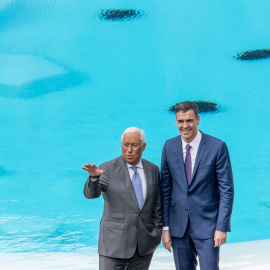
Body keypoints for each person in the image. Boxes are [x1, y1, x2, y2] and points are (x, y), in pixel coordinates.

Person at [160, 101, 234, 270]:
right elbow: (165, 190)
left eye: (189, 120)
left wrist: (222, 227)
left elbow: (226, 190)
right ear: (176, 122)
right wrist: (165, 228)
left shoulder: (217, 147)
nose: (185, 126)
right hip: (178, 227)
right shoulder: (168, 146)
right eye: (180, 121)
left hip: (208, 227)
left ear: (198, 120)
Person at [82, 127, 162, 270]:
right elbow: (91, 195)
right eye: (125, 144)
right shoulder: (106, 169)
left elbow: (157, 205)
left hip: (143, 246)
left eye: (134, 145)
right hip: (113, 245)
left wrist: (156, 232)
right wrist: (94, 178)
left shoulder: (153, 170)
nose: (129, 149)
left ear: (143, 146)